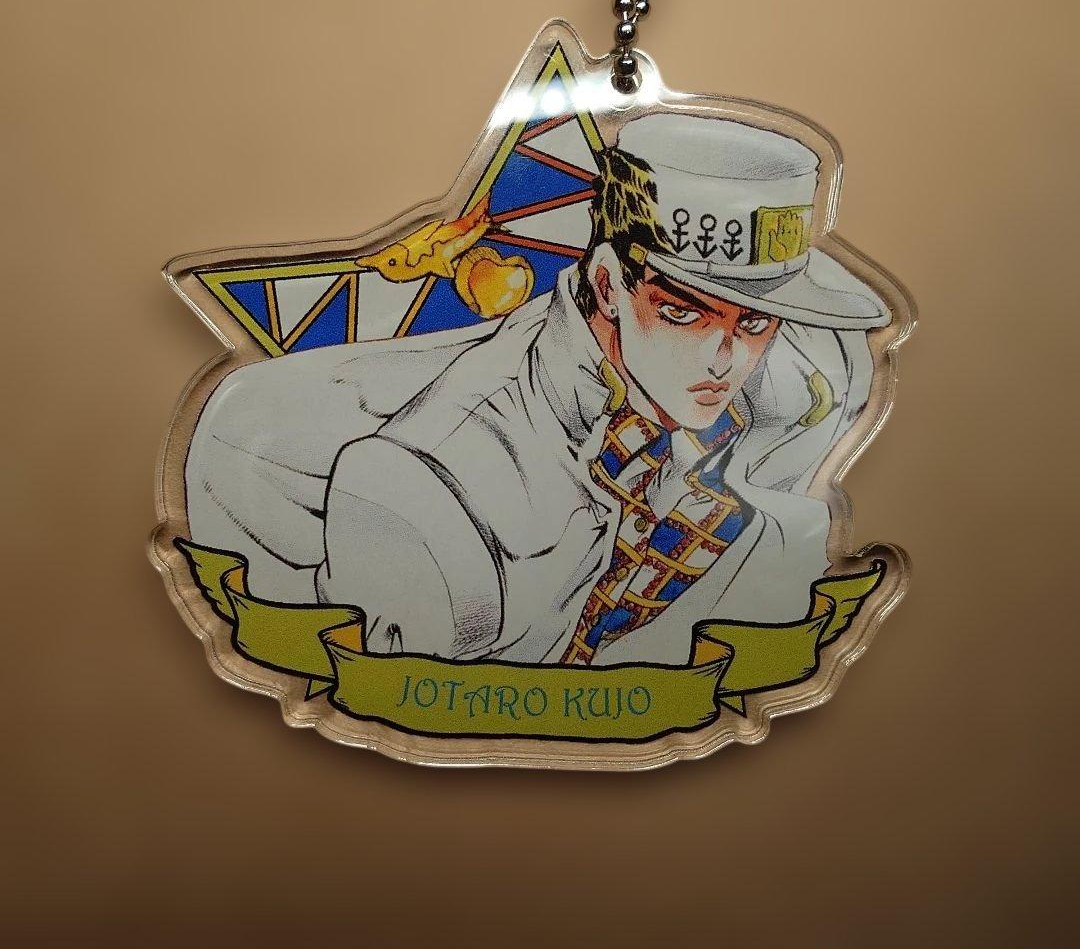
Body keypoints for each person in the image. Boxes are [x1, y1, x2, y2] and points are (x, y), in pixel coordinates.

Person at [185, 113, 889, 666]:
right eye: (683, 313)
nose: (726, 358)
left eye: (755, 321)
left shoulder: (814, 378)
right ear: (608, 286)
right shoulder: (435, 486)